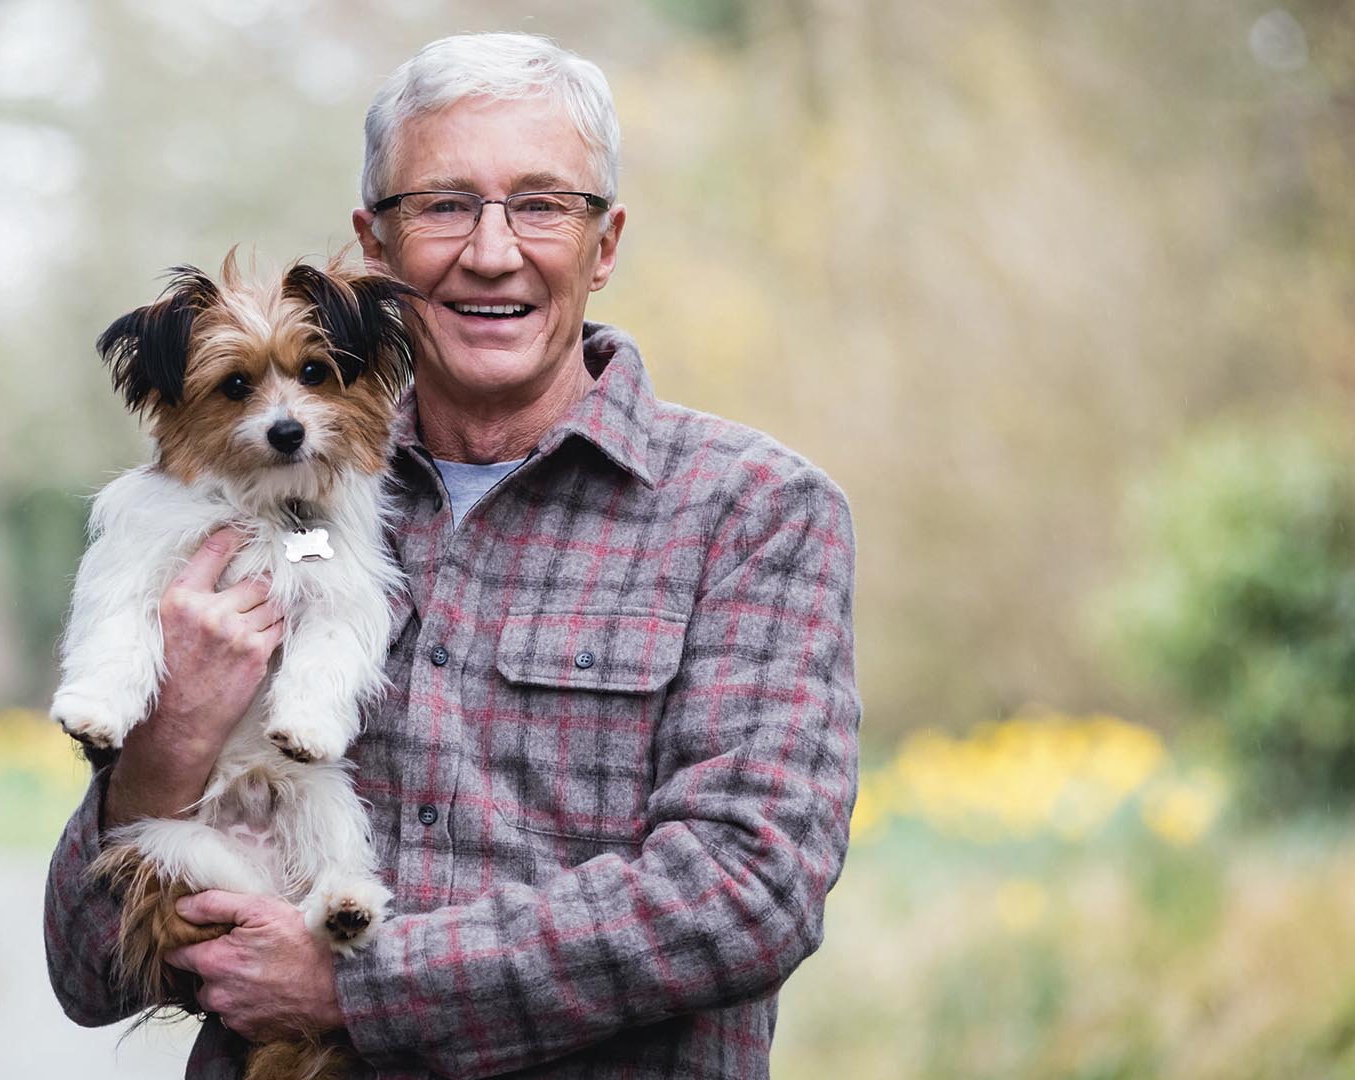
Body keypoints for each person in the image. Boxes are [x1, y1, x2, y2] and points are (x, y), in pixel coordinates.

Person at [45, 32, 862, 1080]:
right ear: (374, 248)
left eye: (542, 203)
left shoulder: (754, 514)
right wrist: (162, 752)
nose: (490, 250)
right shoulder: (258, 511)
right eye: (442, 204)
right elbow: (82, 972)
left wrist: (363, 982)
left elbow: (749, 893)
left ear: (604, 243)